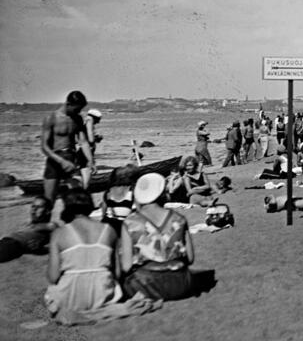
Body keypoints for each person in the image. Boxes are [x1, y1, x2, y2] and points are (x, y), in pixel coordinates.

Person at [45, 189, 157, 325]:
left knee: (52, 291)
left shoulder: (59, 233)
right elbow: (116, 273)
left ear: (66, 206)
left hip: (71, 296)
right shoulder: (108, 229)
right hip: (103, 293)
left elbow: (53, 276)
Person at [119, 173, 195, 301]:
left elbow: (126, 266)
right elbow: (190, 258)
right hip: (181, 284)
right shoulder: (179, 219)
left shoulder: (129, 223)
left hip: (146, 287)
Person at [40, 90, 96, 202]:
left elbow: (83, 142)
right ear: (68, 104)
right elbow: (44, 147)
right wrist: (61, 161)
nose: (79, 111)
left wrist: (91, 160)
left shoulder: (77, 119)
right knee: (49, 201)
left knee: (77, 199)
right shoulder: (51, 118)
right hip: (55, 160)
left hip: (71, 159)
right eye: (77, 109)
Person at [0, 197, 55, 262]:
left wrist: (46, 249)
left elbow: (62, 236)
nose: (34, 210)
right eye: (33, 206)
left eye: (39, 207)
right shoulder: (30, 224)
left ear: (48, 211)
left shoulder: (49, 226)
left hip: (10, 246)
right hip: (6, 244)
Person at [80, 109, 103, 188]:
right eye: (98, 120)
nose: (98, 122)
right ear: (94, 118)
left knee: (82, 171)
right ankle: (84, 191)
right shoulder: (89, 121)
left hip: (82, 150)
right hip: (87, 151)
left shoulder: (84, 120)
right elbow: (91, 139)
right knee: (87, 172)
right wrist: (97, 138)